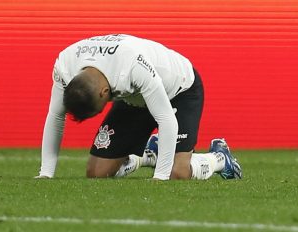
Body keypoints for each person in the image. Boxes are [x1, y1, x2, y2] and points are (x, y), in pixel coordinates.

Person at [37, 34, 242, 181]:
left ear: (103, 93)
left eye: (98, 110)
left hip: (178, 91)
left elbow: (166, 119)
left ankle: (219, 158)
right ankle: (149, 153)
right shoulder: (65, 66)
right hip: (134, 97)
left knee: (177, 173)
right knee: (97, 173)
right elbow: (56, 117)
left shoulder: (131, 66)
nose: (102, 112)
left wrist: (160, 178)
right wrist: (46, 173)